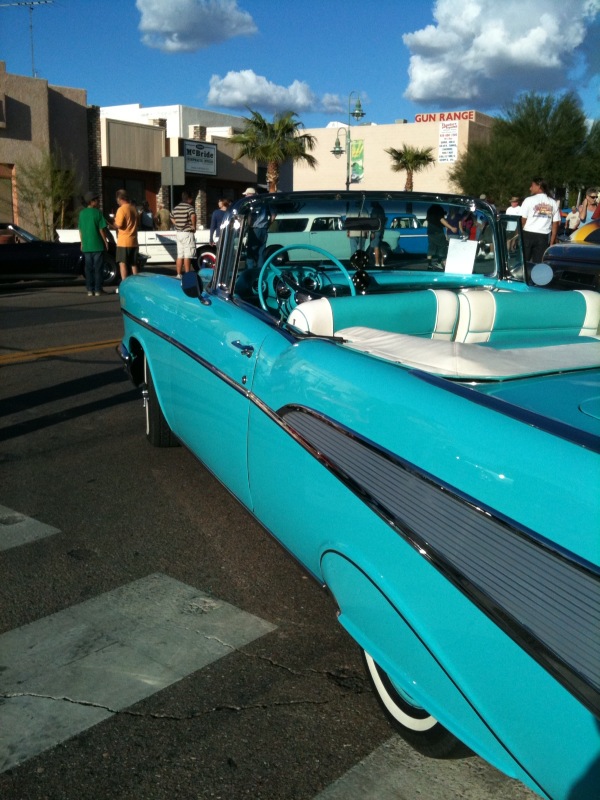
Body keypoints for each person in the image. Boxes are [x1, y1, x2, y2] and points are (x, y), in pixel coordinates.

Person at [520, 177, 560, 264]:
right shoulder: (553, 202)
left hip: (528, 234)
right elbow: (555, 223)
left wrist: (518, 233)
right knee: (539, 264)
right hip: (543, 236)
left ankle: (522, 277)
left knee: (523, 263)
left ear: (539, 186)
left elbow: (523, 220)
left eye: (532, 186)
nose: (530, 188)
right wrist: (552, 242)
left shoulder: (528, 200)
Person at [78, 191, 110, 297]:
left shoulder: (82, 214)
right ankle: (98, 290)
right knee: (98, 268)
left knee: (88, 268)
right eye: (96, 200)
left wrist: (82, 243)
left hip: (86, 245)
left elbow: (81, 230)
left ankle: (89, 290)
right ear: (91, 202)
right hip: (97, 245)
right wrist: (105, 242)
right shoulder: (97, 213)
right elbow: (102, 230)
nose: (98, 201)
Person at [113, 189, 139, 286]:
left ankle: (124, 284)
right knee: (133, 263)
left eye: (117, 199)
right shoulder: (133, 208)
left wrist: (113, 223)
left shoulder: (121, 209)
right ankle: (137, 283)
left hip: (124, 241)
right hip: (134, 240)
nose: (117, 201)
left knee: (122, 263)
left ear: (120, 198)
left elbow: (119, 225)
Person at [243, 187, 271, 270]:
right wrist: (268, 224)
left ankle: (250, 270)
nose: (245, 197)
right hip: (264, 229)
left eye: (247, 195)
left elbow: (250, 216)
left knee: (251, 251)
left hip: (255, 229)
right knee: (261, 251)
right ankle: (260, 271)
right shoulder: (264, 203)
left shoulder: (253, 204)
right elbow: (273, 214)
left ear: (250, 194)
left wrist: (249, 226)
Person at [170, 190, 197, 278]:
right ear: (189, 198)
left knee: (180, 255)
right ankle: (187, 274)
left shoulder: (176, 207)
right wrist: (193, 226)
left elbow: (171, 216)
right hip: (187, 233)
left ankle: (178, 274)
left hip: (179, 233)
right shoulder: (189, 207)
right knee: (187, 255)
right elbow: (193, 215)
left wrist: (176, 224)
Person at [426, 204, 457, 268]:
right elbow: (441, 220)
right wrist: (451, 228)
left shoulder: (430, 209)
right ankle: (439, 262)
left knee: (431, 247)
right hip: (438, 232)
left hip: (430, 232)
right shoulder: (439, 209)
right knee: (443, 245)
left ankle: (429, 265)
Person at [369, 201, 387, 267]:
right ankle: (382, 262)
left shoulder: (374, 211)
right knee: (379, 246)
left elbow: (373, 222)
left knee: (376, 247)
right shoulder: (381, 210)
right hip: (381, 230)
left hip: (376, 230)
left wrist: (372, 232)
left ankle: (376, 263)